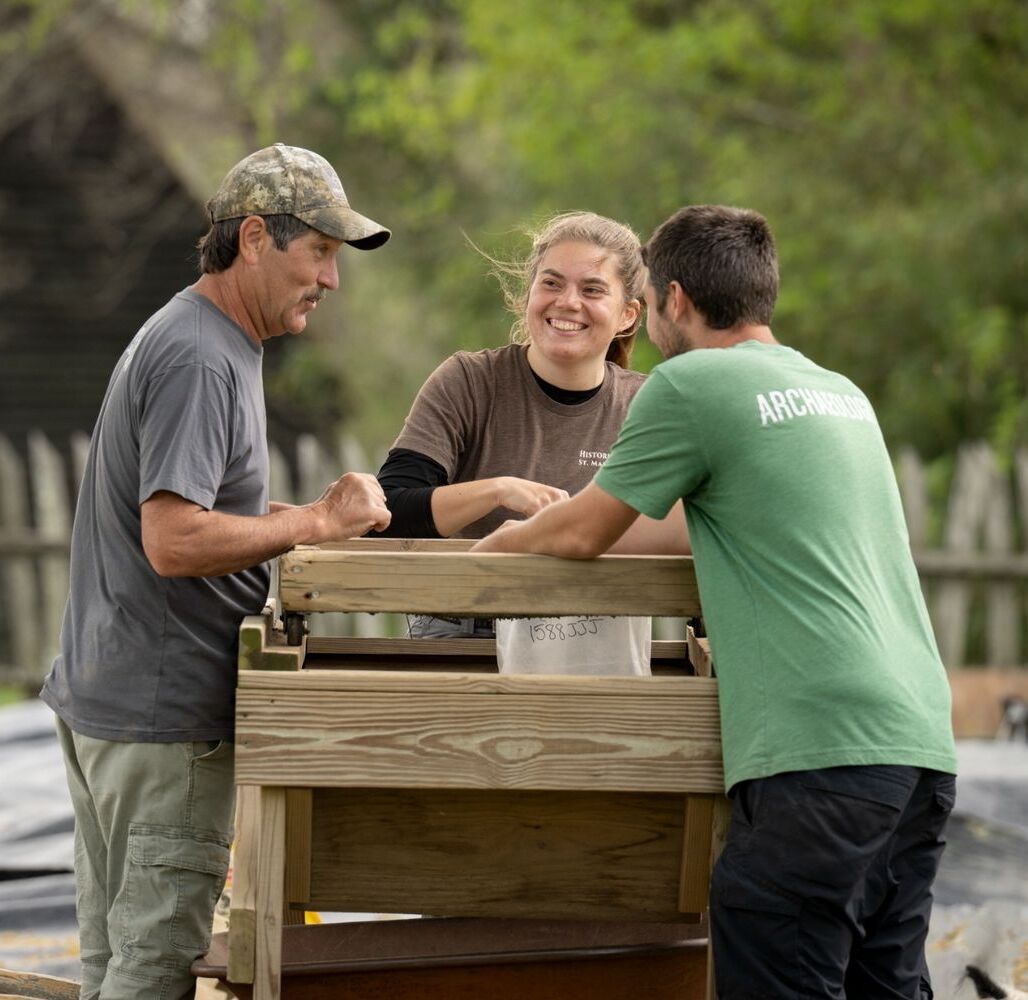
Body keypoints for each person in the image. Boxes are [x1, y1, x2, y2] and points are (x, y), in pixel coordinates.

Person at [474, 205, 958, 998]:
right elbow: (674, 531)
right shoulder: (836, 393)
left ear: (670, 300)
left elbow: (587, 532)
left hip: (821, 748)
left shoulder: (694, 383)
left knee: (774, 961)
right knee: (885, 984)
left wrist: (494, 548)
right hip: (917, 745)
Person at [40, 143, 392, 1000]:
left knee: (112, 969)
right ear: (254, 242)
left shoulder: (203, 335)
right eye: (319, 251)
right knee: (153, 971)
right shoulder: (203, 357)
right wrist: (314, 522)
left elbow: (189, 514)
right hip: (163, 726)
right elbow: (171, 539)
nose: (331, 280)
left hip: (114, 704)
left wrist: (297, 522)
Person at [374, 211, 677, 671]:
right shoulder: (468, 381)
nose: (568, 302)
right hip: (463, 628)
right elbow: (389, 512)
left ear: (628, 314)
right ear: (528, 296)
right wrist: (498, 489)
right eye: (552, 284)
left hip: (596, 632)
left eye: (592, 289)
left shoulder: (650, 404)